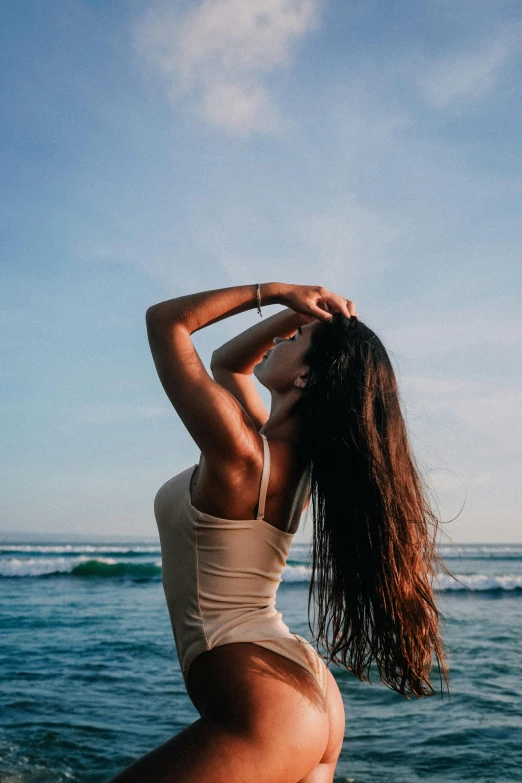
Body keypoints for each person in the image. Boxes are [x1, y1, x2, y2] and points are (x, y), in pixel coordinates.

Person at [109, 282, 447, 783]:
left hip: (270, 705)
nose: (280, 341)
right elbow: (228, 364)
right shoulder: (287, 461)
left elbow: (166, 322)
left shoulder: (243, 456)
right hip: (306, 695)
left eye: (294, 340)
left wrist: (276, 292)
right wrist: (299, 318)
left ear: (307, 378)